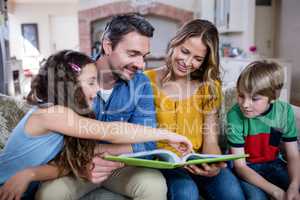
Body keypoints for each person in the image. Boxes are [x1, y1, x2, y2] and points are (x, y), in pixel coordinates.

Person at [0, 50, 192, 200]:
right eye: (91, 82)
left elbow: (64, 164)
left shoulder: (69, 118)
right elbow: (112, 131)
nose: (97, 88)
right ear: (70, 86)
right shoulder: (52, 114)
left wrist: (28, 173)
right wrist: (166, 134)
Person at [34, 13, 173, 200]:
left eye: (144, 56)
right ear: (108, 46)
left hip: (120, 167)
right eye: (132, 54)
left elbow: (147, 143)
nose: (141, 65)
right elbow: (51, 141)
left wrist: (100, 154)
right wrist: (81, 162)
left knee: (154, 186)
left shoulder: (141, 83)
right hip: (73, 167)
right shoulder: (74, 75)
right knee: (49, 194)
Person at [145, 19, 245, 200]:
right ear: (175, 43)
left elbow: (210, 138)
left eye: (198, 59)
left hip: (196, 158)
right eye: (184, 51)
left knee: (233, 194)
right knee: (186, 192)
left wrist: (212, 165)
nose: (187, 62)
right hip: (164, 163)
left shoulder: (209, 86)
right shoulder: (146, 80)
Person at [226, 60, 300, 200]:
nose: (245, 104)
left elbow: (293, 155)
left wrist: (294, 185)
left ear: (273, 97)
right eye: (241, 96)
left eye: (254, 98)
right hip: (247, 168)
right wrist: (276, 192)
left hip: (274, 164)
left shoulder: (284, 112)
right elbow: (240, 167)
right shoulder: (234, 115)